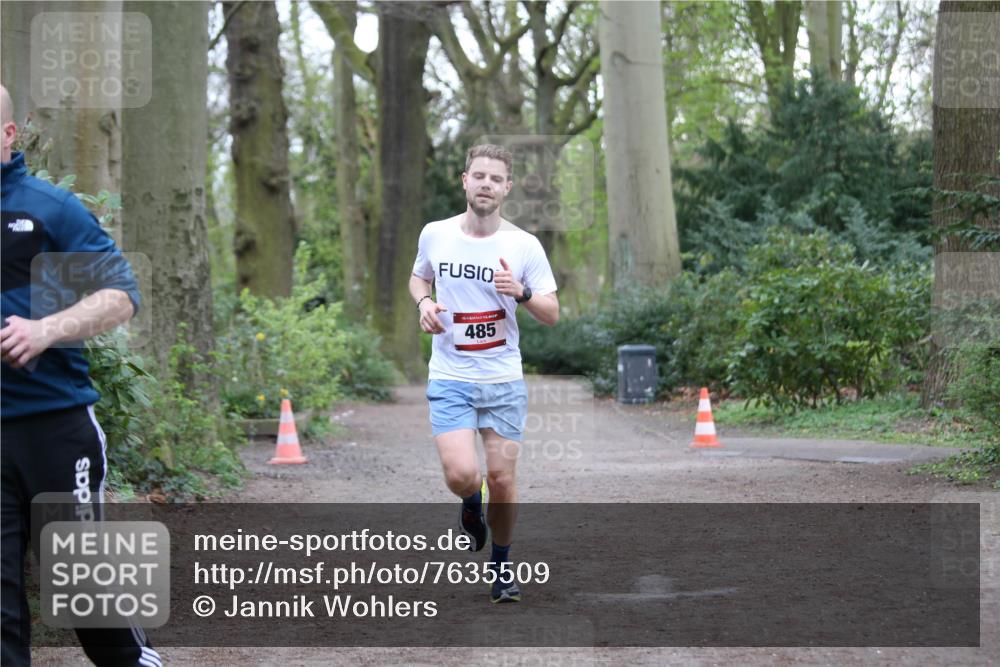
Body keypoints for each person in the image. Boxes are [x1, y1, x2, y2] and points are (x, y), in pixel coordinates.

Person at [1, 85, 161, 667]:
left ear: (8, 135)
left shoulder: (48, 210)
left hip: (53, 425)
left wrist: (45, 329)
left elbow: (121, 295)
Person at [409, 144, 559, 603]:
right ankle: (469, 507)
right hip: (451, 375)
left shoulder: (523, 245)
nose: (486, 185)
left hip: (502, 380)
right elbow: (420, 278)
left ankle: (501, 567)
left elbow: (552, 313)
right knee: (461, 474)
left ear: (507, 188)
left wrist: (522, 291)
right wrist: (425, 304)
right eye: (479, 176)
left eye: (496, 179)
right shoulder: (435, 234)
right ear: (465, 180)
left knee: (502, 479)